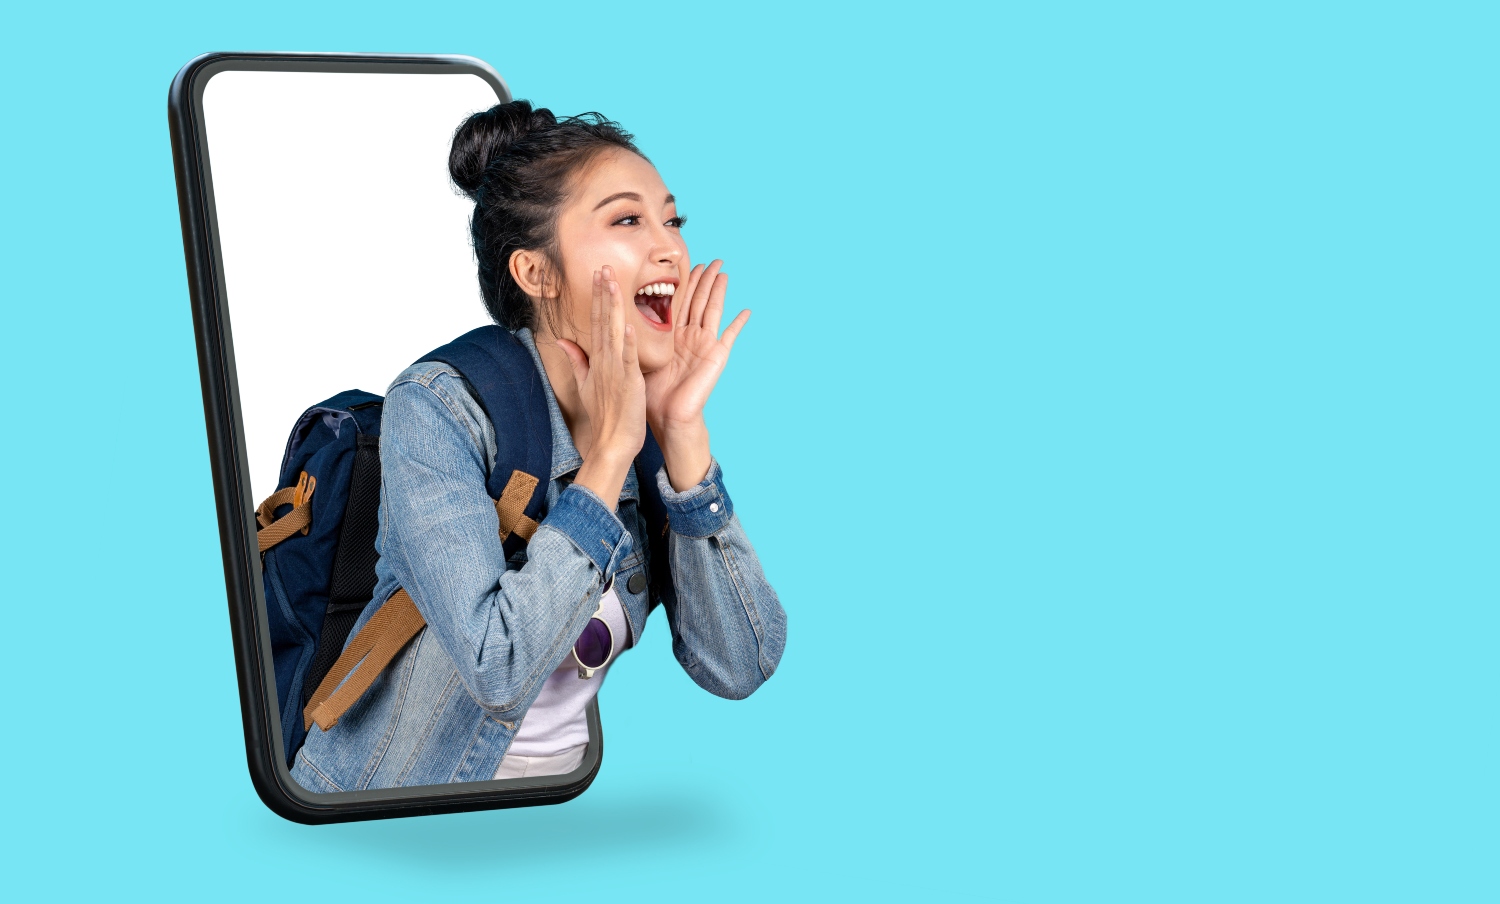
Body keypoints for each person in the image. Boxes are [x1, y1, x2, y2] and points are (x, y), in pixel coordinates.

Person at [289, 101, 786, 792]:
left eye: (672, 220)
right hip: (387, 811)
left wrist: (682, 433)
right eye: (627, 220)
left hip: (541, 815)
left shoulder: (649, 424)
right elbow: (498, 668)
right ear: (537, 273)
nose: (670, 247)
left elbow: (740, 664)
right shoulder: (440, 407)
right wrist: (609, 460)